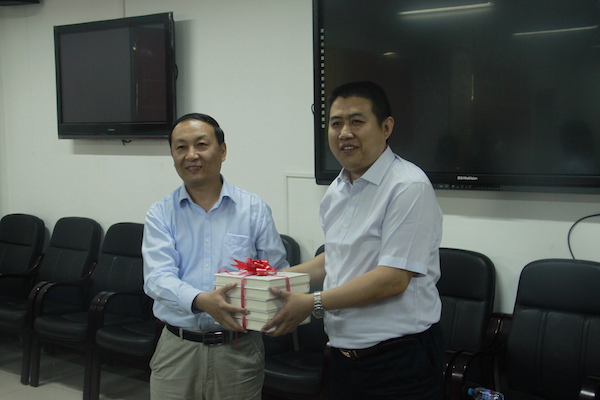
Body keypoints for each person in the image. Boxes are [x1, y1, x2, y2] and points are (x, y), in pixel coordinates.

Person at [263, 81, 444, 400]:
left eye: (356, 122)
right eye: (336, 124)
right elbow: (336, 257)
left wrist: (312, 302)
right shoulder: (337, 190)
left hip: (399, 360)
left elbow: (393, 278)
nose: (345, 133)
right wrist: (270, 280)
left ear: (386, 127)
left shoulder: (408, 186)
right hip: (343, 357)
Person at [142, 113, 289, 400]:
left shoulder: (253, 209)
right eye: (181, 147)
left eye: (201, 145)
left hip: (238, 350)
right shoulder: (160, 213)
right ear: (172, 155)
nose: (191, 155)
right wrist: (201, 301)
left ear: (222, 151)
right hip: (177, 349)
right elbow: (157, 279)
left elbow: (275, 271)